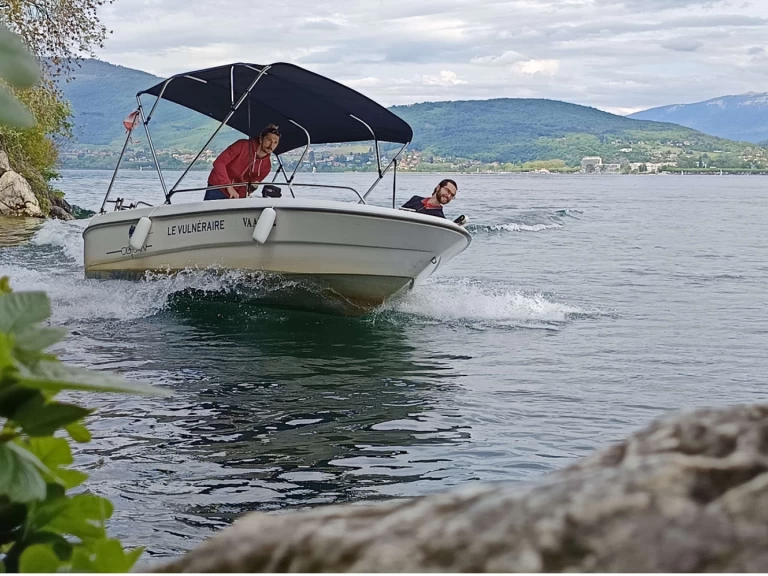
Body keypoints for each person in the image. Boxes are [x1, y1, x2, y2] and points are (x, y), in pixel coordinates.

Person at [204, 124, 281, 200]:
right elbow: (219, 163)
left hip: (236, 195)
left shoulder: (266, 167)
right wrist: (228, 186)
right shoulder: (242, 145)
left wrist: (242, 198)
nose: (271, 145)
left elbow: (249, 187)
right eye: (269, 140)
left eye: (275, 142)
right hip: (218, 187)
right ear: (261, 139)